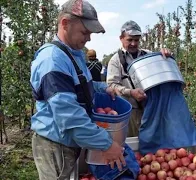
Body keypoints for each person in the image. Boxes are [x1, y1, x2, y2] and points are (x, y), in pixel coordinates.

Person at [30, 1, 125, 179]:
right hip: (55, 145)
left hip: (67, 142)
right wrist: (107, 144)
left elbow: (83, 86)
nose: (89, 38)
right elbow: (69, 116)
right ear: (65, 24)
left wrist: (105, 88)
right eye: (85, 32)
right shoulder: (53, 60)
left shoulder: (73, 54)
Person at [107, 20, 172, 137]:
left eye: (136, 40)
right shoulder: (115, 61)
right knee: (134, 142)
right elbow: (112, 86)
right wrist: (130, 92)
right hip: (131, 111)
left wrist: (165, 55)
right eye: (129, 40)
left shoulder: (148, 55)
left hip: (151, 109)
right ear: (121, 38)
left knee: (153, 142)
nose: (133, 43)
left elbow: (163, 68)